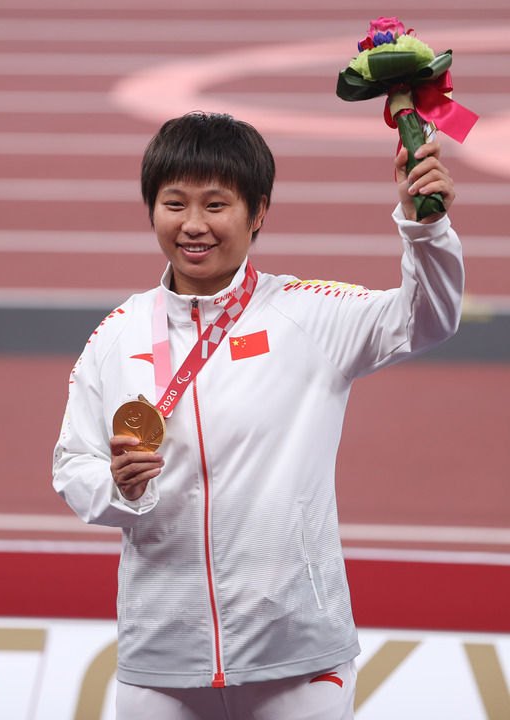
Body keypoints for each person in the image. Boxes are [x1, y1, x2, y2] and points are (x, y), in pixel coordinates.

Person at [53, 111, 464, 720]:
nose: (193, 225)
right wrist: (119, 488)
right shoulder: (117, 336)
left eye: (216, 205)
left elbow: (427, 318)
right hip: (162, 662)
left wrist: (424, 226)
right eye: (174, 203)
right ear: (152, 209)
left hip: (297, 658)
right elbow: (72, 463)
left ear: (258, 212)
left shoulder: (308, 315)